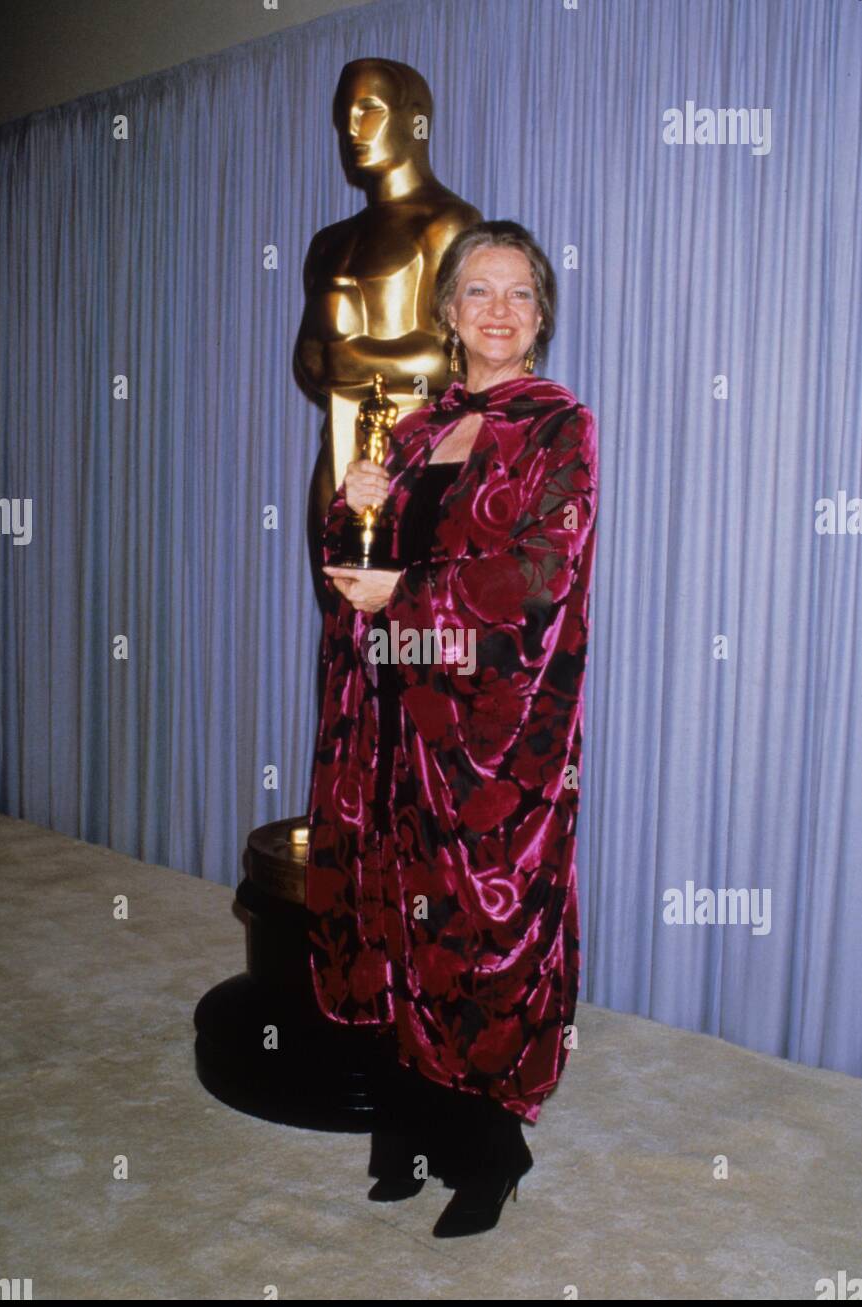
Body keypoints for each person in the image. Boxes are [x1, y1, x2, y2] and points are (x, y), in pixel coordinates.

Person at [305, 219, 599, 1237]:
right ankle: (409, 1126)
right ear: (448, 312)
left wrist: (407, 589)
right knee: (399, 915)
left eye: (518, 292)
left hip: (490, 732)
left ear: (540, 314)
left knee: (476, 931)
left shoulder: (557, 426)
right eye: (478, 291)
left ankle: (489, 1151)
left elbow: (536, 573)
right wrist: (355, 506)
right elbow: (359, 573)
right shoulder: (424, 425)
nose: (499, 311)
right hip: (394, 715)